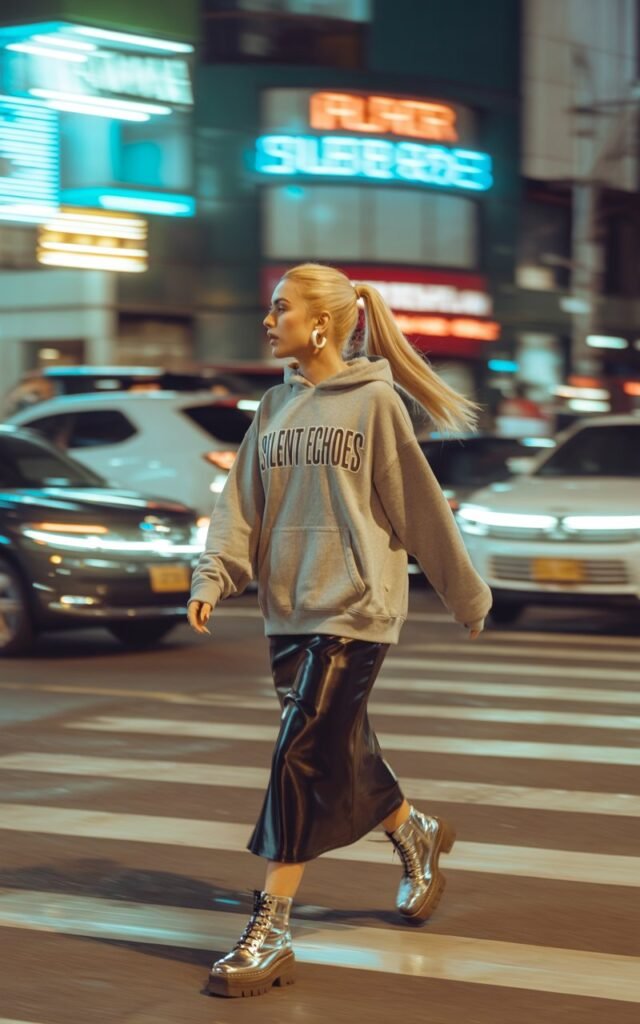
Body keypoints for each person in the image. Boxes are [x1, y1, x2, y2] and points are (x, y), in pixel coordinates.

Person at [188, 262, 493, 999]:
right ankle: (411, 828)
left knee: (299, 754)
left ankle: (272, 928)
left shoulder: (375, 405)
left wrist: (465, 592)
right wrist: (213, 574)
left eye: (279, 308)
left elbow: (419, 506)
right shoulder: (271, 409)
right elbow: (241, 508)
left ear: (321, 322)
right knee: (336, 749)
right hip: (288, 607)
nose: (268, 320)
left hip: (356, 608)